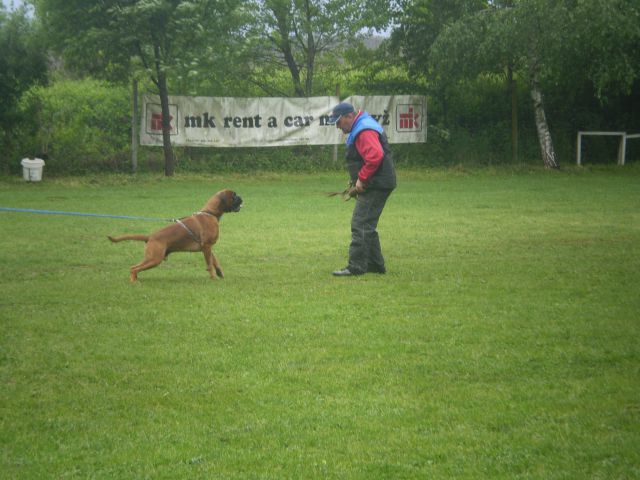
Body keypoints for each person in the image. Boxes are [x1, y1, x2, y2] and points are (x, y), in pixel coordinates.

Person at [327, 102, 396, 276]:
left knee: (360, 223)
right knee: (367, 224)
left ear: (349, 116)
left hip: (377, 183)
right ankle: (375, 264)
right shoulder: (361, 126)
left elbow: (375, 156)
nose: (337, 126)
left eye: (338, 122)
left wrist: (362, 179)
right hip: (379, 182)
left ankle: (356, 266)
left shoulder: (364, 130)